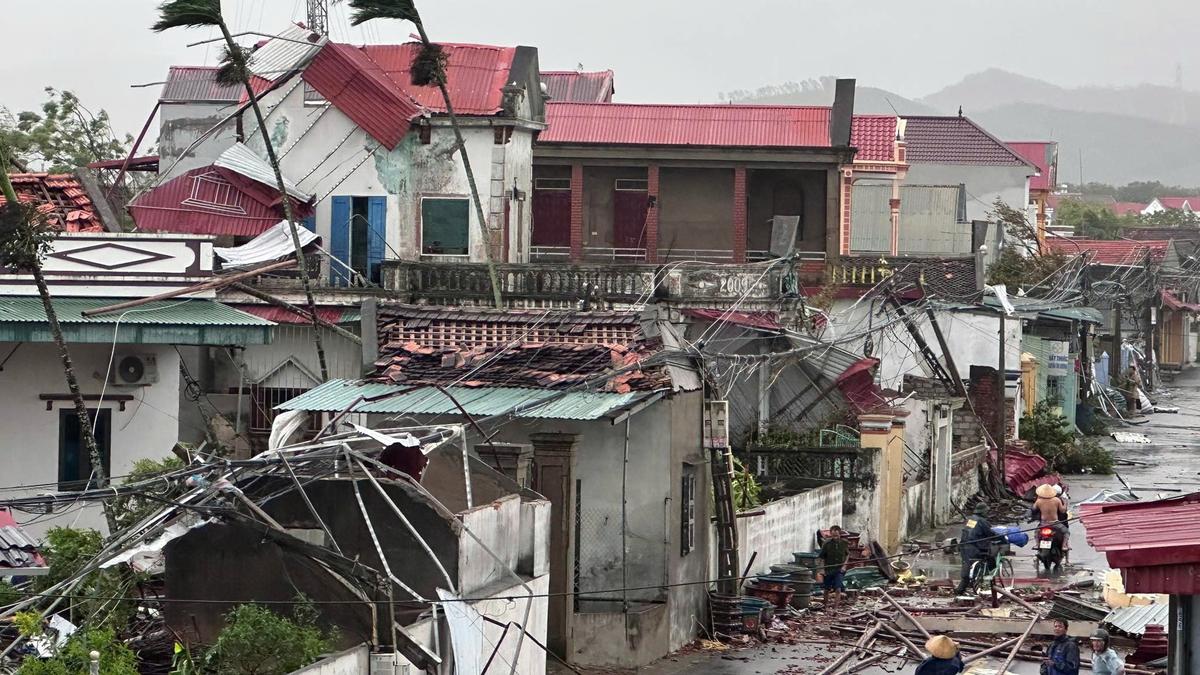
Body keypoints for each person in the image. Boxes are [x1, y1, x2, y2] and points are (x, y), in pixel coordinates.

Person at [954, 503, 993, 594]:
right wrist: (1002, 537)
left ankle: (962, 588)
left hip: (964, 546)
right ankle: (984, 584)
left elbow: (969, 531)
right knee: (989, 561)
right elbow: (990, 534)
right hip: (975, 546)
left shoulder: (971, 519)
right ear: (983, 512)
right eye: (986, 511)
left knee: (967, 565)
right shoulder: (982, 522)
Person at [818, 525, 849, 611]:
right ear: (831, 534)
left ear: (839, 534)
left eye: (836, 535)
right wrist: (822, 569)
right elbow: (822, 557)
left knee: (838, 589)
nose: (835, 537)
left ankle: (835, 609)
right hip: (828, 569)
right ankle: (825, 607)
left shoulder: (844, 543)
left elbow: (847, 554)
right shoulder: (827, 544)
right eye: (833, 535)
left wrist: (844, 566)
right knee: (827, 589)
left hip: (839, 570)